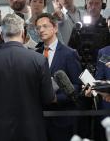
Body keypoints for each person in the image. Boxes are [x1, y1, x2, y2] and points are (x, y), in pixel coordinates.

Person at [0, 13, 56, 141]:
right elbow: (48, 98)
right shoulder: (39, 60)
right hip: (32, 131)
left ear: (1, 35)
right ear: (23, 33)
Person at [35, 13, 83, 141]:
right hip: (39, 118)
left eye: (45, 26)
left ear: (55, 28)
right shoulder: (34, 54)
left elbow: (78, 86)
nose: (41, 30)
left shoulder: (69, 54)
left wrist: (56, 98)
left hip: (63, 118)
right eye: (38, 28)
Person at [69, 0, 110, 74]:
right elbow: (71, 50)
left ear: (102, 6)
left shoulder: (107, 26)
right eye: (90, 3)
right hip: (81, 70)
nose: (93, 7)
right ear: (86, 5)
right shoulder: (78, 27)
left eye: (97, 3)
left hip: (103, 70)